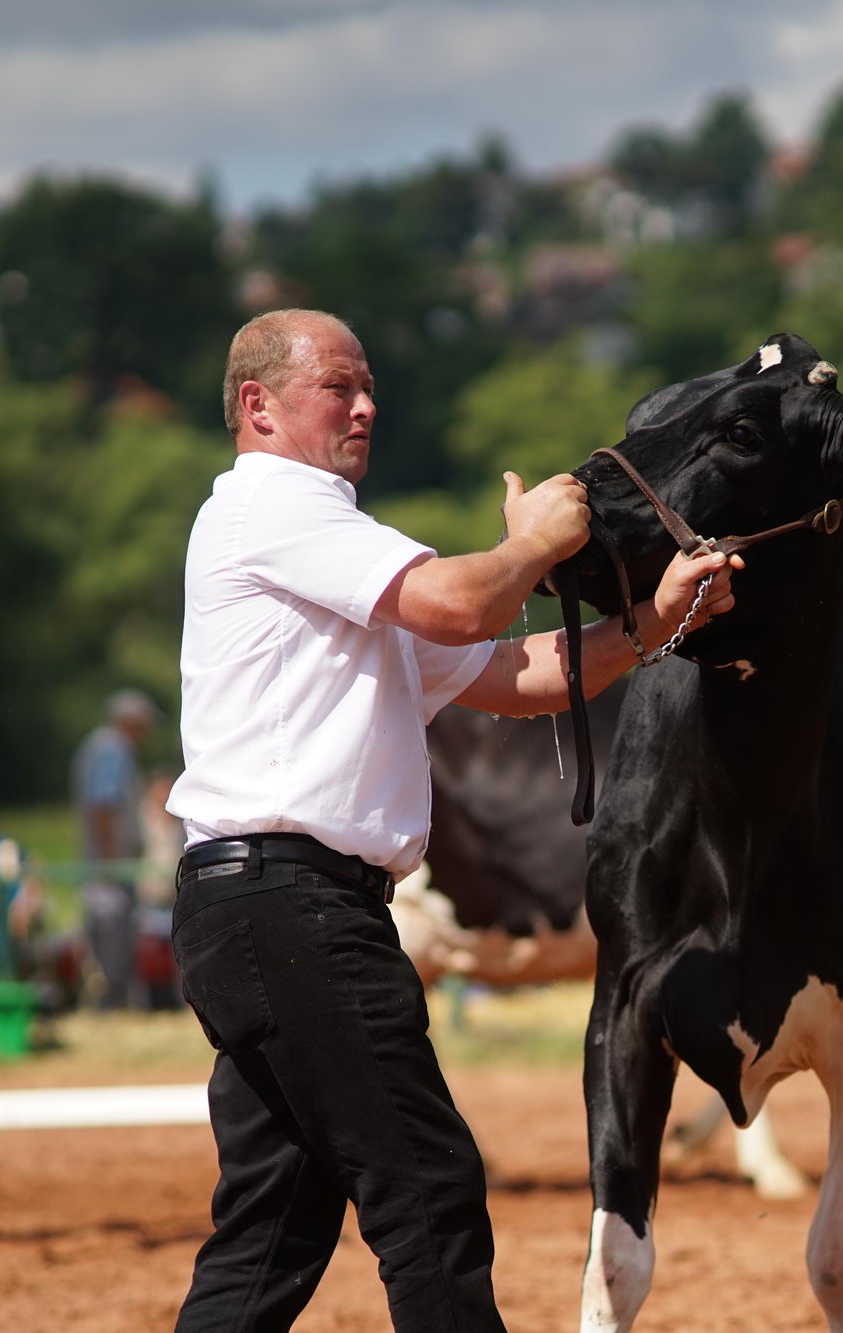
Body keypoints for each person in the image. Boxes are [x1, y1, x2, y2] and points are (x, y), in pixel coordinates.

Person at [165, 308, 738, 1331]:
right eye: (338, 384)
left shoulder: (327, 542)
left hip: (263, 910)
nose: (365, 403)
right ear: (256, 405)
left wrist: (658, 615)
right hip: (296, 910)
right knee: (428, 1193)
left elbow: (517, 673)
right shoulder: (277, 508)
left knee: (272, 1233)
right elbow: (461, 607)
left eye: (366, 382)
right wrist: (530, 545)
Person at [72, 688, 159, 1009]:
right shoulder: (112, 749)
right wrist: (110, 864)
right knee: (113, 945)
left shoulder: (101, 747)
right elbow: (104, 807)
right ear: (130, 722)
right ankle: (111, 1007)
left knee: (110, 940)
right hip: (109, 866)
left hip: (104, 863)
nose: (147, 733)